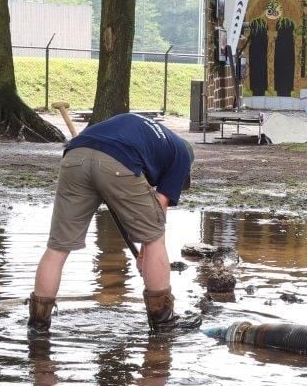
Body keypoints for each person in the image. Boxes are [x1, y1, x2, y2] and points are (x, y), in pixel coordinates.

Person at [27, 113, 202, 337]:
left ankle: (38, 326)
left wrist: (143, 256)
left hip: (75, 156)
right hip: (117, 161)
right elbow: (157, 217)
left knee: (58, 247)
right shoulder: (181, 155)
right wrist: (145, 256)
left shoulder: (152, 138)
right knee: (155, 238)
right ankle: (164, 324)